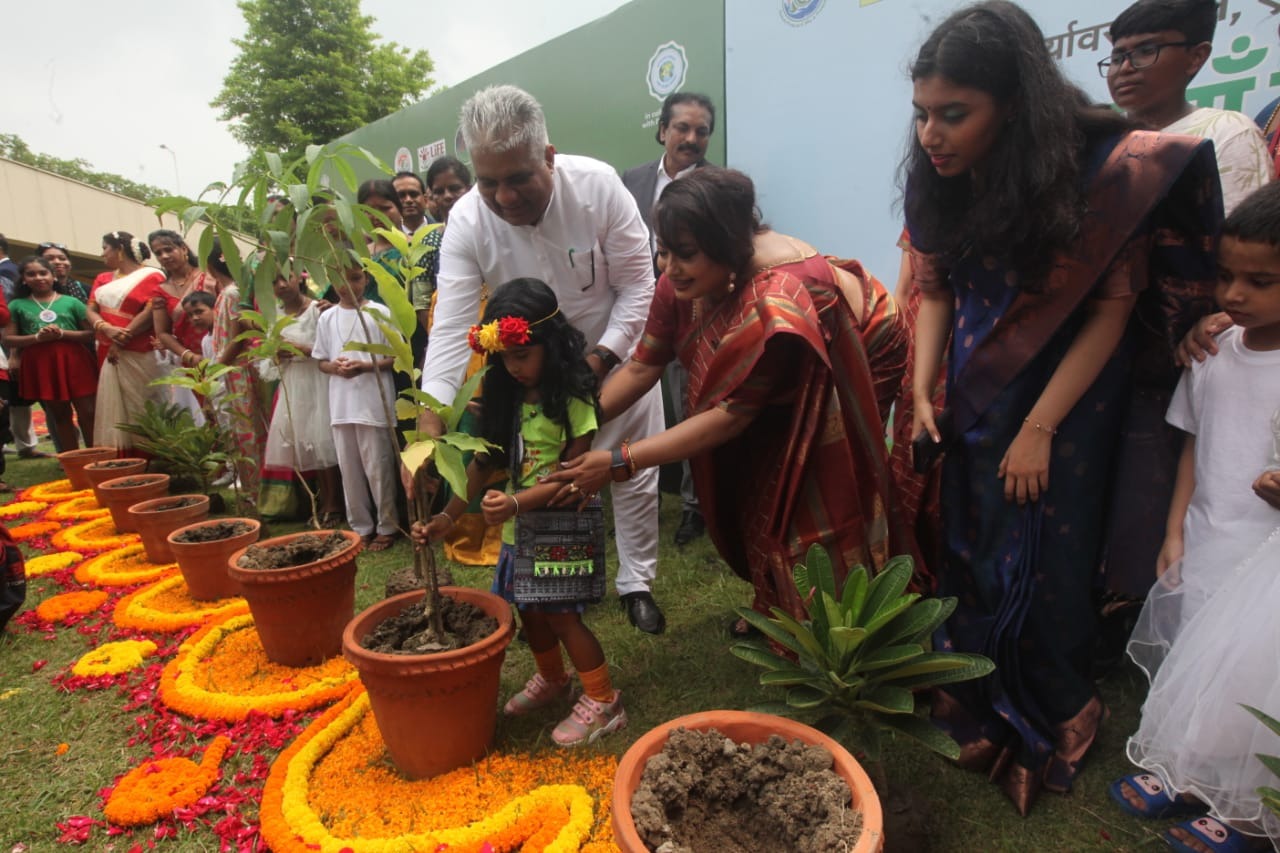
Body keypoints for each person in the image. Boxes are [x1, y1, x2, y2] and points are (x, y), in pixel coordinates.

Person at [905, 1, 1222, 815]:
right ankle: (973, 694)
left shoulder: (1093, 173)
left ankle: (1058, 707)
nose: (931, 134)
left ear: (1012, 105)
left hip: (1069, 405)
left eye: (953, 114)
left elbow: (1112, 311)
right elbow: (934, 290)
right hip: (976, 390)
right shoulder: (937, 179)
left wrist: (1041, 427)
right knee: (973, 542)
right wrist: (920, 386)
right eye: (921, 113)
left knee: (1048, 559)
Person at [548, 166, 908, 625]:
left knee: (809, 489)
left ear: (728, 247)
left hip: (859, 358)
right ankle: (775, 600)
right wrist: (574, 423)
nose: (669, 268)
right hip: (755, 400)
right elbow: (642, 366)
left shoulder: (779, 296)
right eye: (663, 252)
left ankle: (836, 626)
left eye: (686, 255)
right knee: (756, 484)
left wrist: (619, 461)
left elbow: (733, 415)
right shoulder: (681, 281)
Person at [418, 85, 667, 634]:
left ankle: (636, 582)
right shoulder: (465, 220)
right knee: (546, 480)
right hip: (531, 382)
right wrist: (432, 407)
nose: (504, 198)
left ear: (548, 157)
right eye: (488, 183)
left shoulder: (599, 188)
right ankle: (556, 586)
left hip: (617, 361)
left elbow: (639, 289)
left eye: (518, 179)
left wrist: (601, 360)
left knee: (629, 474)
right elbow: (454, 323)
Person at [1110, 182, 1280, 853]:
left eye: (1260, 281)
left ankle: (1247, 811)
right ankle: (1185, 769)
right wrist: (1177, 527)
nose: (1234, 295)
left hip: (1268, 558)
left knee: (1257, 679)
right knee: (1200, 661)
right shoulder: (1212, 354)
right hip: (1211, 534)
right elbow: (1193, 445)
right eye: (1226, 276)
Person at [414, 279, 626, 746]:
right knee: (530, 609)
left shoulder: (573, 398)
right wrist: (447, 518)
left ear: (551, 346)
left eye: (524, 355)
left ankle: (605, 699)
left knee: (564, 615)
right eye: (505, 358)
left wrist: (516, 502)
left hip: (562, 524)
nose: (514, 367)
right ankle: (553, 678)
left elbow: (574, 474)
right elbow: (484, 462)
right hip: (519, 527)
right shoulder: (505, 394)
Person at [622, 91, 718, 547]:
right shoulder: (632, 180)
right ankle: (636, 493)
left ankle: (696, 508)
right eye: (682, 128)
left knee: (689, 407)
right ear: (663, 130)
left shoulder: (719, 188)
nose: (691, 138)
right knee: (634, 402)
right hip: (632, 313)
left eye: (701, 131)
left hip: (691, 314)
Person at [1104, 0, 1272, 215]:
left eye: (1146, 50)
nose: (1125, 68)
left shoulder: (1227, 132)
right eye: (1117, 57)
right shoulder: (1101, 140)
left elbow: (1241, 242)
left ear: (1196, 57)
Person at [314, 259, 399, 551]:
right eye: (340, 279)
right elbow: (321, 360)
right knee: (349, 470)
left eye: (354, 278)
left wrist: (364, 365)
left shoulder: (379, 313)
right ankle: (360, 527)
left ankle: (387, 526)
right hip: (341, 404)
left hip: (373, 403)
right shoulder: (327, 318)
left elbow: (394, 358)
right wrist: (335, 368)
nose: (347, 286)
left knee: (379, 467)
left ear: (365, 280)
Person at [260, 271, 342, 526]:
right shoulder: (274, 317)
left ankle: (335, 503)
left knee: (324, 441)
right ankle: (320, 501)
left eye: (287, 277)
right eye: (274, 280)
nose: (282, 284)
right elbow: (267, 362)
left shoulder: (318, 310)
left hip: (319, 381)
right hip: (295, 384)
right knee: (308, 441)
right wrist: (277, 354)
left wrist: (300, 349)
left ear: (300, 278)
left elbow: (330, 350)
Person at [2, 257, 97, 451]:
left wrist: (62, 334)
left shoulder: (72, 302)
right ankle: (72, 460)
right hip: (42, 364)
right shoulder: (17, 305)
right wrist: (37, 338)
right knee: (60, 414)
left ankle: (97, 455)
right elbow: (8, 339)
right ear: (23, 279)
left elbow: (90, 333)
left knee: (88, 412)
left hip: (75, 361)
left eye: (43, 273)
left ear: (53, 276)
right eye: (31, 274)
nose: (38, 277)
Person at [85, 231, 166, 452]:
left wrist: (120, 339)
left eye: (105, 248)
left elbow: (150, 311)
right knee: (116, 402)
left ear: (120, 248)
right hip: (106, 346)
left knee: (144, 399)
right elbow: (91, 309)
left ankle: (154, 451)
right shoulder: (103, 279)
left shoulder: (153, 275)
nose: (103, 254)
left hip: (138, 348)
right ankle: (124, 453)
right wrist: (105, 328)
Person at [208, 241, 268, 497]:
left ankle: (256, 490)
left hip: (237, 370)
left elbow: (239, 336)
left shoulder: (234, 293)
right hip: (230, 369)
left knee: (248, 430)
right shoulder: (228, 291)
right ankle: (252, 487)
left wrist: (217, 367)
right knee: (237, 428)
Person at [148, 229, 215, 424]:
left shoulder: (207, 276)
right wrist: (188, 355)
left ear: (184, 249)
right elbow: (162, 332)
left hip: (219, 349)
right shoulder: (159, 290)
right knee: (205, 412)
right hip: (191, 359)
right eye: (158, 253)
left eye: (169, 249)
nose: (164, 256)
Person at [393, 171, 434, 236]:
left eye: (414, 194)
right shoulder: (388, 238)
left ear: (426, 200)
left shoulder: (443, 232)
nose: (408, 200)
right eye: (401, 195)